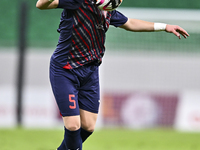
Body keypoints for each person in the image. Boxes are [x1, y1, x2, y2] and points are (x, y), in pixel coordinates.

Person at [36, 0, 189, 150]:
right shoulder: (77, 2)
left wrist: (165, 27)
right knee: (73, 125)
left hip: (90, 72)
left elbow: (130, 23)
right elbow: (41, 5)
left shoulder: (108, 12)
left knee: (88, 126)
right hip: (65, 70)